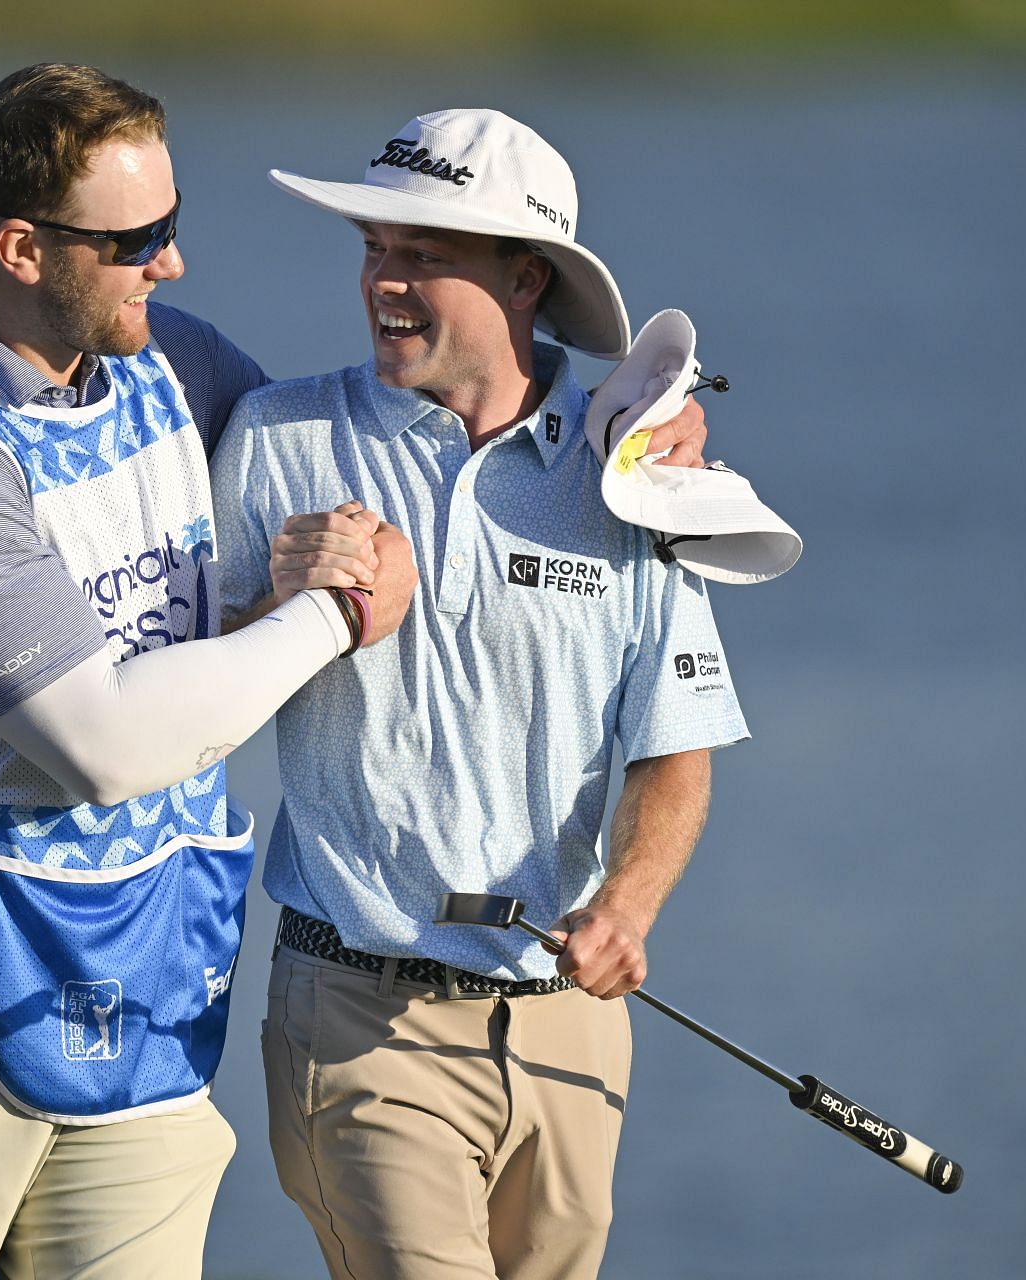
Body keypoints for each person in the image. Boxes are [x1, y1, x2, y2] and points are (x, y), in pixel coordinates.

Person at [0, 63, 426, 1280]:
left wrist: (600, 432)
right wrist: (332, 613)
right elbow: (100, 742)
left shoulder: (177, 364)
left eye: (172, 225)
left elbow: (392, 454)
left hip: (134, 962)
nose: (173, 264)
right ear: (19, 247)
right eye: (137, 240)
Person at [210, 108, 750, 1280]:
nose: (382, 282)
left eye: (422, 255)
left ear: (526, 278)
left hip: (569, 1026)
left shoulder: (632, 470)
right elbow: (188, 695)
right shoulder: (276, 436)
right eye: (373, 248)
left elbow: (677, 745)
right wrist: (290, 608)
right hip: (362, 1015)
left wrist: (632, 906)